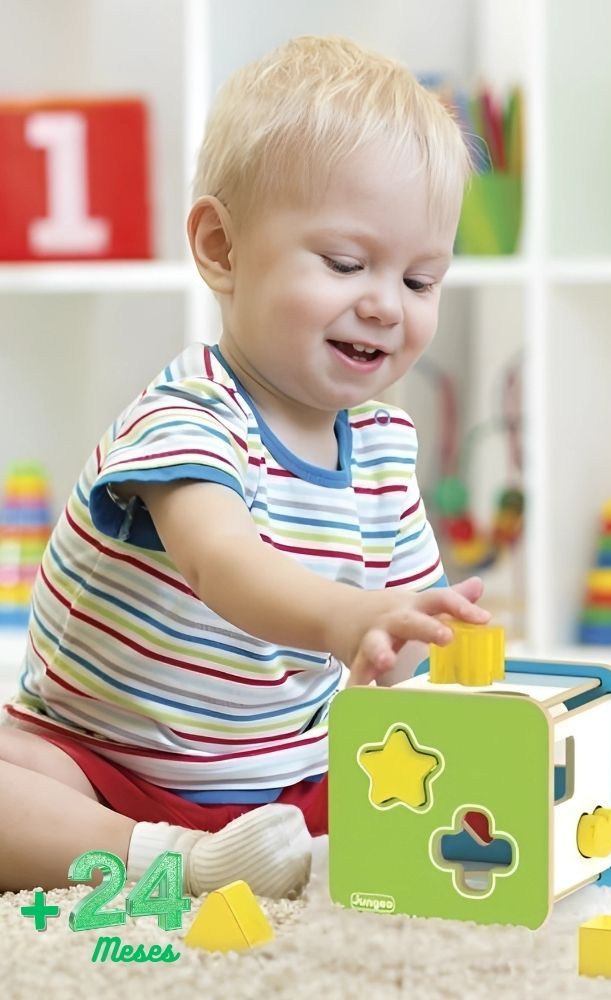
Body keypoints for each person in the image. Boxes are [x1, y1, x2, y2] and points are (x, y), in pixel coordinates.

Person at [0, 36, 490, 898]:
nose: (384, 303)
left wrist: (418, 649)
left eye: (420, 280)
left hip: (287, 787)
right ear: (222, 248)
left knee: (456, 774)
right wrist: (347, 617)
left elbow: (399, 638)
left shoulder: (385, 446)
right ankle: (172, 864)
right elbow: (221, 564)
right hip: (104, 765)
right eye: (345, 264)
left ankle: (280, 852)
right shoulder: (187, 416)